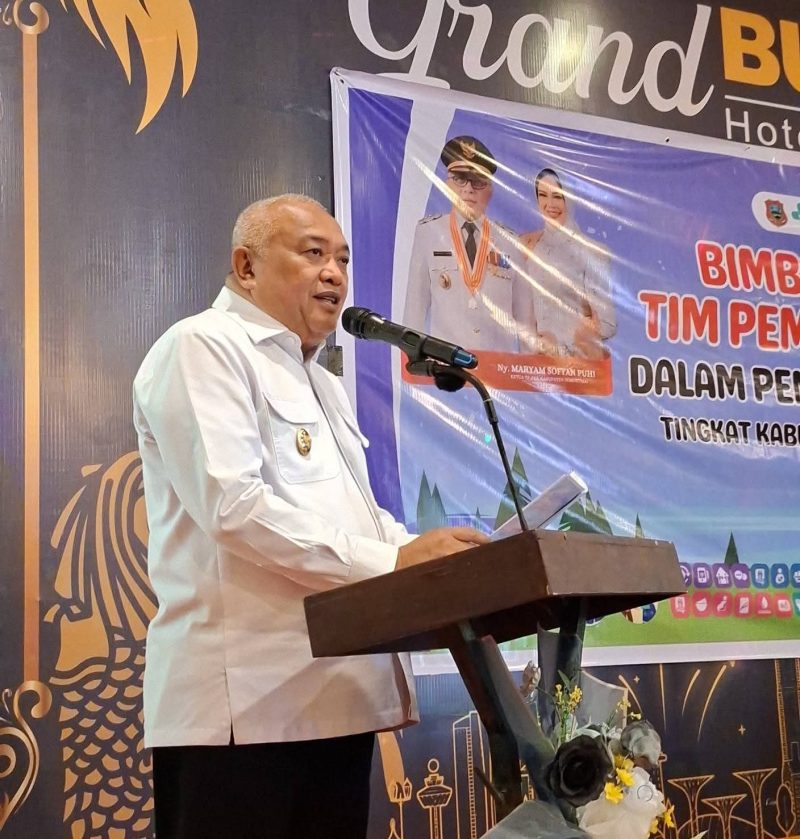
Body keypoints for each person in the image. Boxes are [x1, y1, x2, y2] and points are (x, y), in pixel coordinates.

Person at [132, 194, 489, 839]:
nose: (335, 273)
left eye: (343, 259)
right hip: (244, 715)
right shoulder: (203, 346)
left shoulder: (322, 382)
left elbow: (356, 520)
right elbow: (234, 507)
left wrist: (429, 554)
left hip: (337, 702)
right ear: (246, 267)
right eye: (313, 253)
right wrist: (394, 561)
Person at [403, 135, 537, 353]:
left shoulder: (510, 241)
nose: (468, 189)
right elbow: (415, 307)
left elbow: (525, 319)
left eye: (478, 181)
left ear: (490, 190)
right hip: (444, 367)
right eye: (459, 179)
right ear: (447, 184)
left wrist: (527, 369)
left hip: (498, 368)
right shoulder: (428, 232)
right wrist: (410, 362)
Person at [520, 168, 616, 359]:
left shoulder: (591, 250)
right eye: (543, 195)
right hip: (535, 363)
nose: (549, 204)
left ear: (569, 198)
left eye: (557, 196)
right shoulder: (529, 246)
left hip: (576, 362)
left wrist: (571, 340)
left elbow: (607, 324)